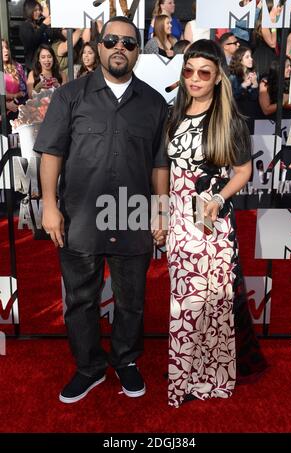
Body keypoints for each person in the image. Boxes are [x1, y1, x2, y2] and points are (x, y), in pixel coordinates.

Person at [33, 16, 169, 404]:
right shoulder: (69, 95)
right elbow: (51, 154)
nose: (120, 48)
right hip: (80, 216)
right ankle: (89, 367)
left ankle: (126, 361)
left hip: (135, 215)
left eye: (129, 43)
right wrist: (49, 206)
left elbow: (160, 164)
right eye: (112, 40)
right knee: (80, 299)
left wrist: (160, 211)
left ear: (138, 51)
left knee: (132, 300)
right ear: (99, 45)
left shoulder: (155, 103)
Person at [166, 39, 253, 408]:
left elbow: (244, 171)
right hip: (176, 221)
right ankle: (182, 378)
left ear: (218, 77)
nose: (195, 79)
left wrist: (218, 199)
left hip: (209, 223)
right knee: (180, 305)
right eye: (189, 71)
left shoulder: (227, 120)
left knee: (210, 307)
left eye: (204, 72)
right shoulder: (175, 114)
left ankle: (208, 378)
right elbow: (166, 168)